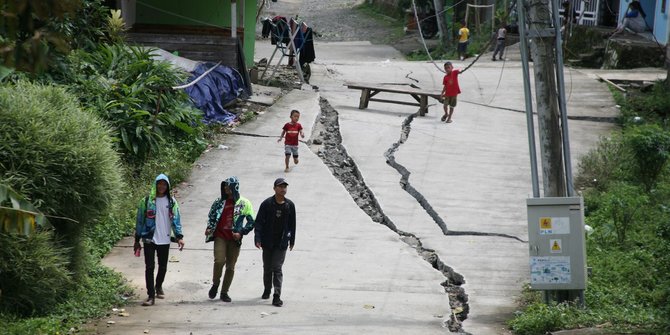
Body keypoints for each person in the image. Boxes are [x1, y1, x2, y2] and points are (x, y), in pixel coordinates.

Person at [134, 173, 185, 307]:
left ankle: (158, 286)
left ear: (167, 186)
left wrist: (179, 237)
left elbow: (176, 220)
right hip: (149, 239)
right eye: (159, 183)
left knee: (163, 267)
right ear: (155, 185)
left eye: (164, 184)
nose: (161, 186)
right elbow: (140, 221)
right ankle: (151, 296)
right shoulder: (146, 201)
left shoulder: (172, 202)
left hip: (165, 239)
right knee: (149, 267)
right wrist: (137, 240)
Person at [204, 176, 255, 302]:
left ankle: (224, 292)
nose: (226, 188)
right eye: (224, 185)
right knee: (219, 261)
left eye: (228, 185)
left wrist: (241, 232)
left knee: (230, 267)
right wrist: (209, 228)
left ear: (235, 187)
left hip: (234, 239)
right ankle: (215, 284)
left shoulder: (244, 203)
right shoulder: (219, 201)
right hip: (220, 236)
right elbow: (211, 216)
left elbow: (251, 222)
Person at [254, 178, 296, 307]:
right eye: (280, 186)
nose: (283, 189)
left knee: (277, 268)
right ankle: (267, 289)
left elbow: (292, 224)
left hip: (281, 243)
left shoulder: (289, 205)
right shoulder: (267, 204)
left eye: (285, 187)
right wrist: (258, 238)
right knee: (267, 268)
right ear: (274, 188)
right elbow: (259, 222)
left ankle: (277, 295)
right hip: (268, 242)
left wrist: (292, 240)